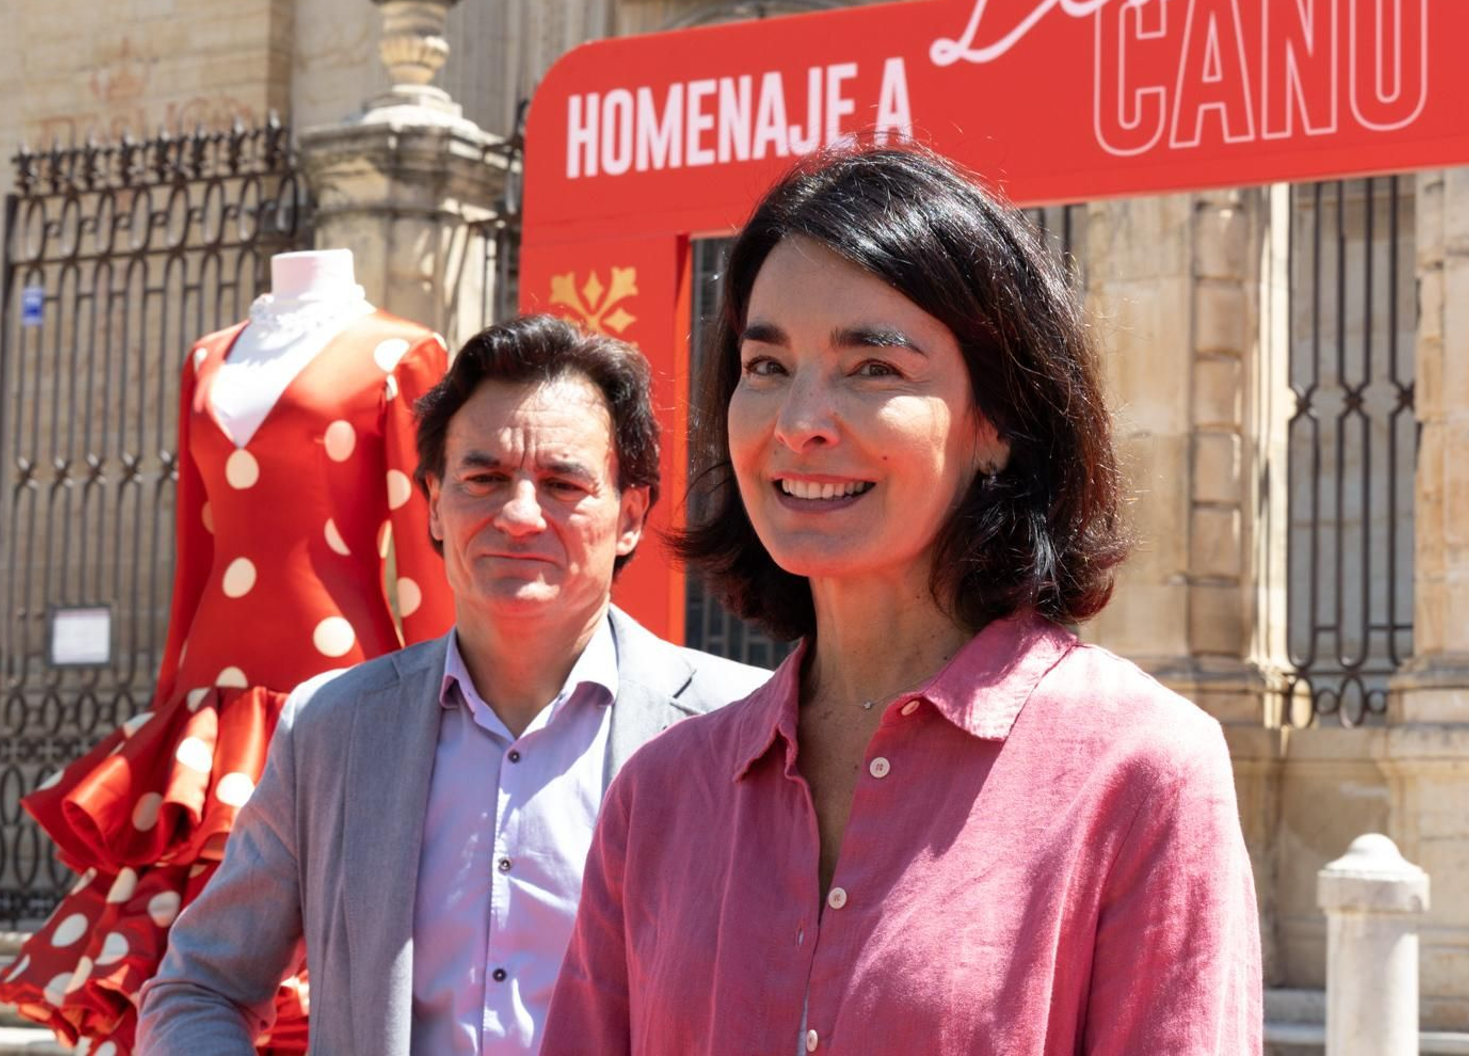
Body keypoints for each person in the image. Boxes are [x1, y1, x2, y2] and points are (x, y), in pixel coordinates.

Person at [540, 145, 1263, 1055]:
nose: (800, 419)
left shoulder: (1140, 773)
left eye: (872, 368)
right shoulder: (660, 795)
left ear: (997, 423)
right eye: (765, 366)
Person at [135, 314, 770, 1055]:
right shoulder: (331, 731)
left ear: (630, 516)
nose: (520, 515)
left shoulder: (739, 727)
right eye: (484, 478)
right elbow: (201, 984)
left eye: (563, 483)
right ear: (434, 503)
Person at [0, 250, 454, 1053]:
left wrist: (441, 706)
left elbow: (420, 561)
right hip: (206, 706)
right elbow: (196, 553)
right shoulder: (205, 357)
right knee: (185, 940)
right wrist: (169, 696)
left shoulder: (402, 352)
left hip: (337, 676)